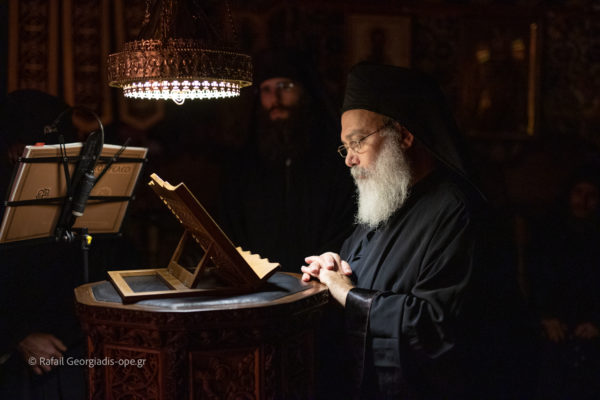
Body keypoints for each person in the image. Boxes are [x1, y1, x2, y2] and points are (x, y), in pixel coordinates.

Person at [299, 62, 514, 399]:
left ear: (404, 135)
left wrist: (347, 295)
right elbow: (354, 276)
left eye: (357, 142)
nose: (349, 160)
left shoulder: (458, 212)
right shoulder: (388, 199)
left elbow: (437, 329)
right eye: (345, 147)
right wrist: (333, 265)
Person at [219, 49, 355, 272]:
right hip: (260, 283)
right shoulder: (243, 167)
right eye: (266, 90)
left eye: (285, 86)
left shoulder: (336, 162)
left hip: (318, 279)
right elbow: (231, 229)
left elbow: (344, 226)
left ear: (304, 92)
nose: (275, 98)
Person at [528, 163, 600, 399]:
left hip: (589, 324)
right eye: (578, 193)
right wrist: (546, 317)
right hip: (553, 321)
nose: (583, 201)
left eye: (591, 195)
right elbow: (536, 279)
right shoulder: (550, 234)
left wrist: (595, 322)